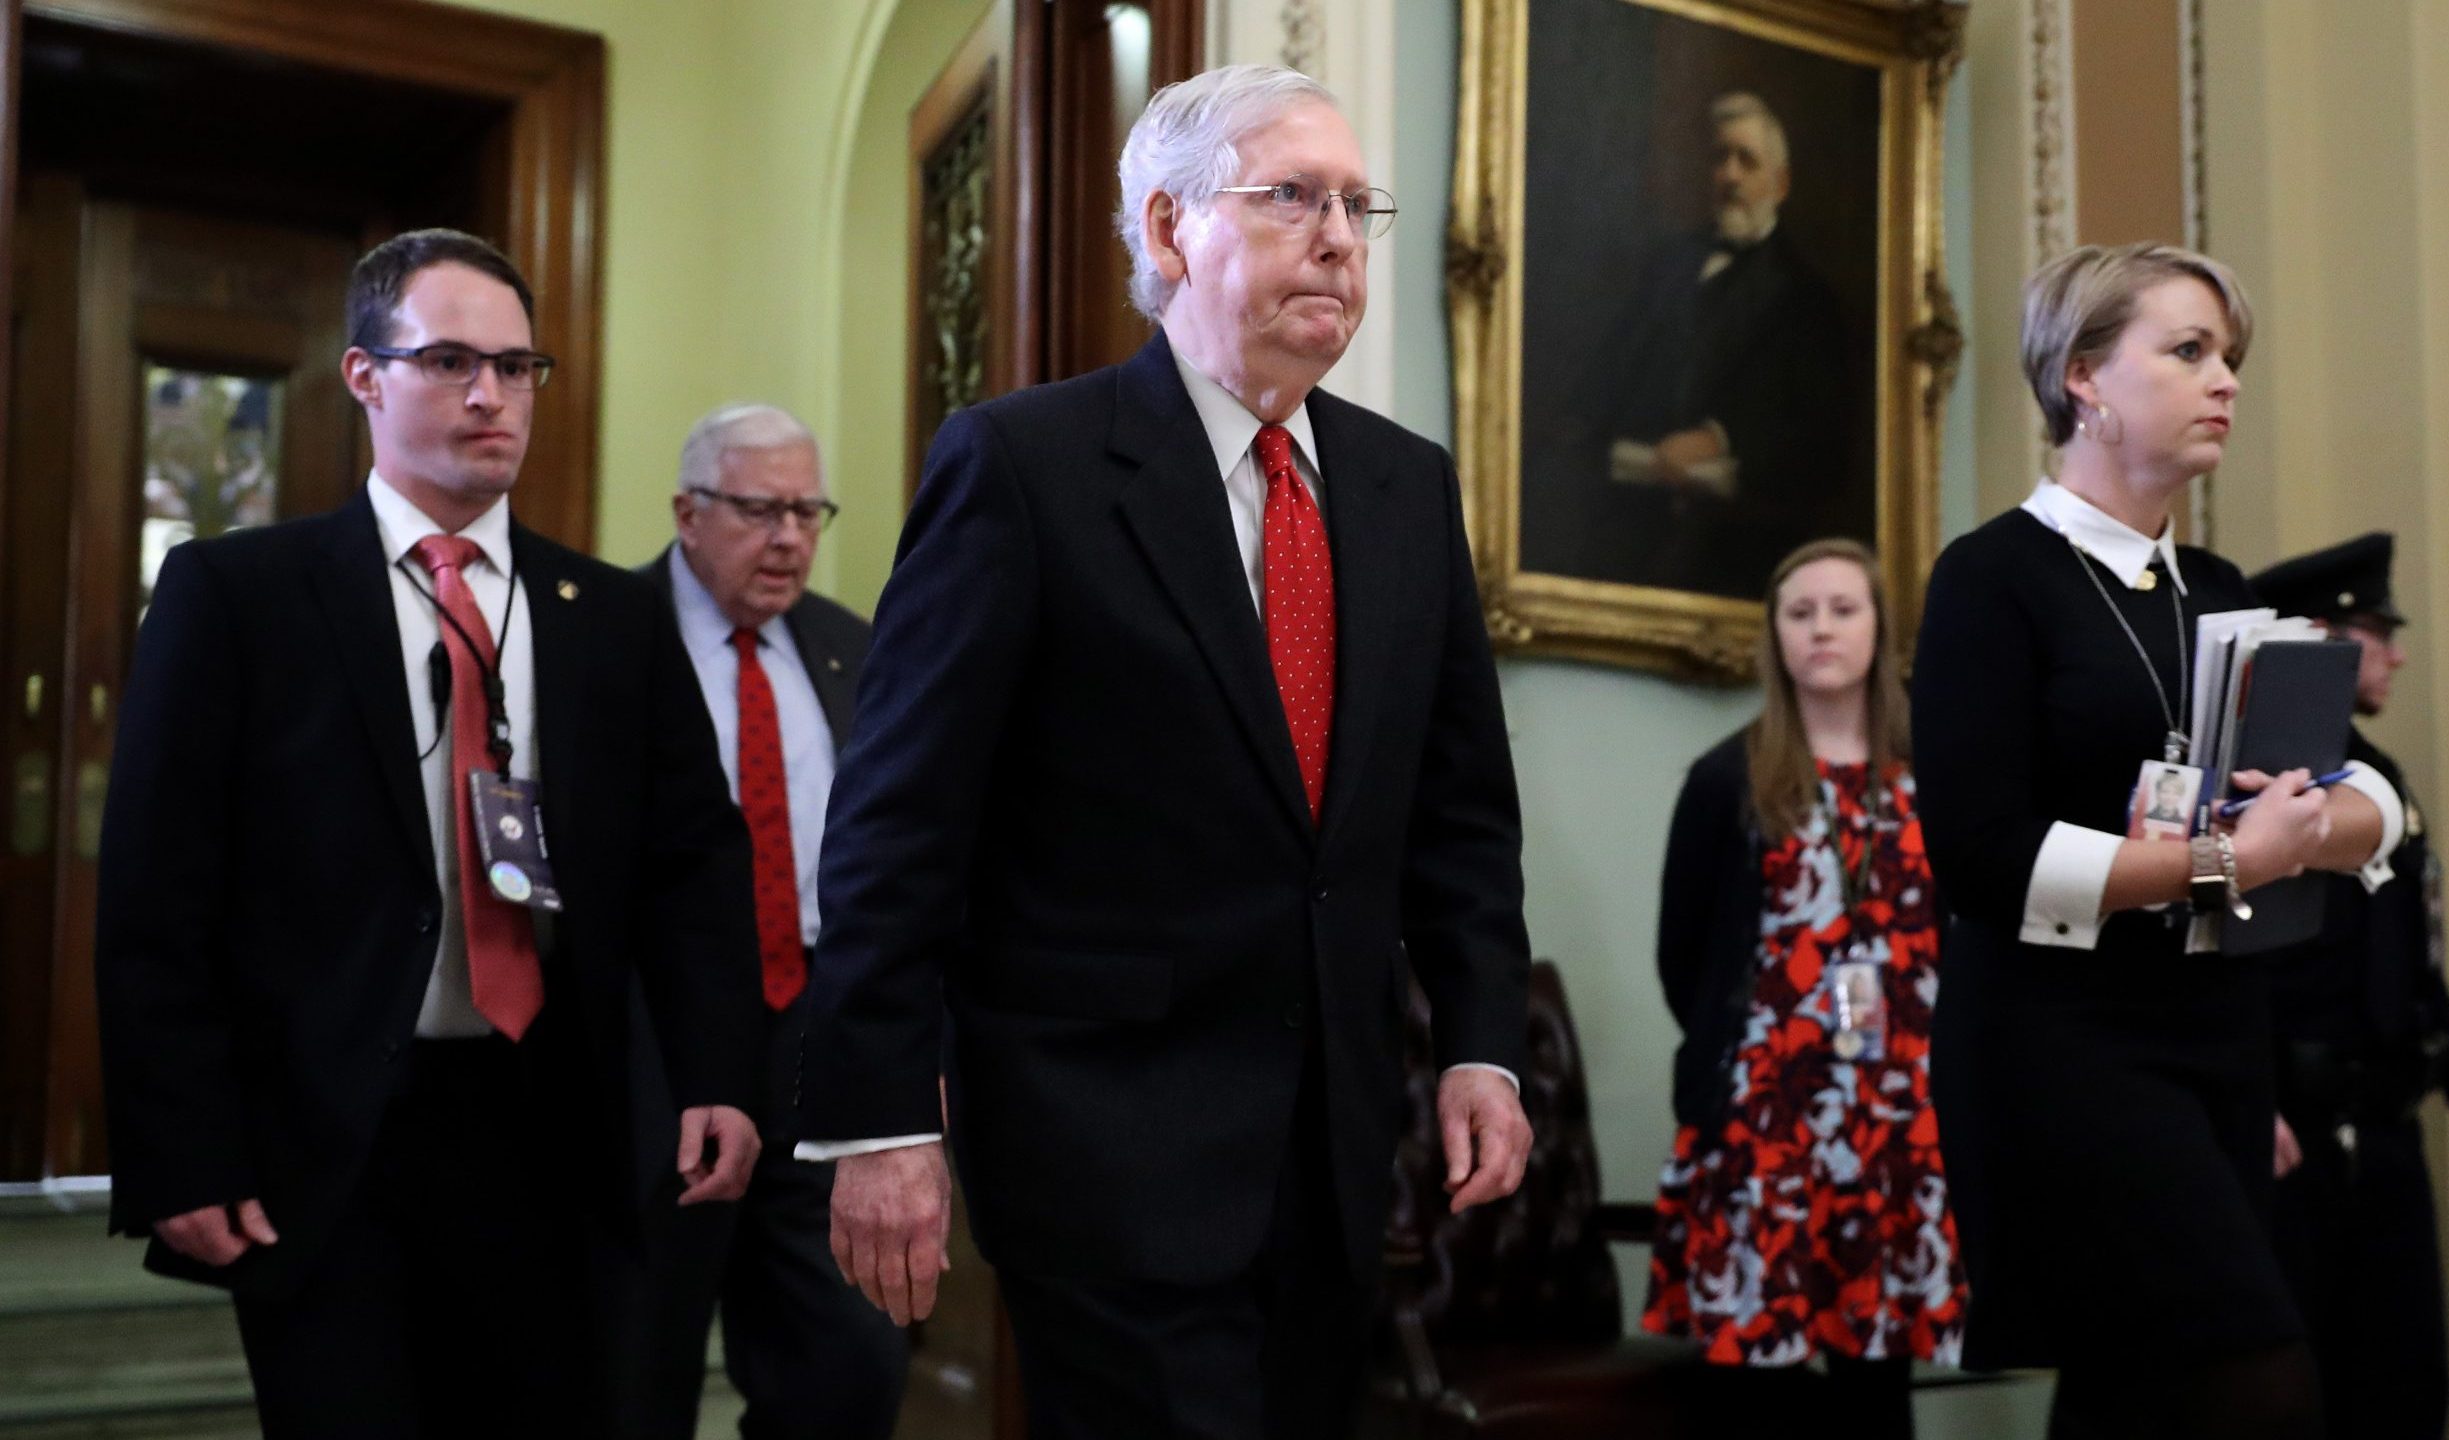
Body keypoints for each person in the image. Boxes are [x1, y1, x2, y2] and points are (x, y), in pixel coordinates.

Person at [796, 63, 1535, 1440]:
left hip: (1332, 1148)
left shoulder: (1403, 487)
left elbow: (1459, 818)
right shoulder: (1024, 465)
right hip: (1104, 1138)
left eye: (1355, 205)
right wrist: (880, 1117)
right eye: (1291, 197)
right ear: (1165, 229)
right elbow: (899, 820)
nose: (1336, 235)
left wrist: (1484, 1048)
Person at [92, 228, 765, 1436]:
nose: (491, 394)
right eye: (451, 360)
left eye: (517, 367)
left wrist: (717, 1072)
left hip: (557, 1124)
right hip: (331, 1130)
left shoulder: (607, 614)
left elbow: (693, 864)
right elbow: (157, 897)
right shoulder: (238, 596)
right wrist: (179, 1149)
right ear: (364, 375)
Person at [1907, 242, 2406, 1440]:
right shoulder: (1991, 577)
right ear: (2082, 378)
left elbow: (2377, 800)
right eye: (2187, 352)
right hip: (2055, 1045)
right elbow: (1979, 854)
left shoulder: (2223, 589)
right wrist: (2235, 858)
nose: (2223, 380)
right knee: (2254, 1382)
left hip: (2214, 1040)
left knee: (2142, 1397)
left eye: (2227, 357)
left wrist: (2314, 827)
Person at [603, 404, 907, 1439]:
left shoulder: (847, 645)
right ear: (688, 513)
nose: (788, 538)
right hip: (658, 1046)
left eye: (806, 510)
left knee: (848, 1369)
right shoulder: (604, 633)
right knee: (636, 1370)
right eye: (758, 511)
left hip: (817, 1044)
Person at [1647, 538, 1964, 1440]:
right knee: (1760, 1389)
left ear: (1880, 629)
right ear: (1775, 638)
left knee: (1877, 1389)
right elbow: (1686, 956)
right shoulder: (1728, 780)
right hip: (1767, 1124)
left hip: (1902, 1122)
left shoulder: (1933, 778)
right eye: (1799, 613)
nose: (1821, 628)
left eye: (1842, 609)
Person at [2249, 532, 2449, 1440]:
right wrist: (2248, 1089)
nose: (2395, 654)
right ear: (2323, 639)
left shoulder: (2377, 778)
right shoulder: (2269, 779)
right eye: (2376, 632)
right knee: (2294, 1397)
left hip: (2385, 1125)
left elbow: (2406, 948)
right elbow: (2233, 956)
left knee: (2401, 1389)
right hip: (2293, 1133)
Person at [1572, 91, 1861, 597]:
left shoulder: (1806, 298)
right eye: (1720, 158)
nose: (1729, 175)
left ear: (1780, 182)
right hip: (1630, 529)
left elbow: (1821, 443)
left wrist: (1720, 439)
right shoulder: (1667, 268)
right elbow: (1605, 385)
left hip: (1737, 548)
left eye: (1746, 161)